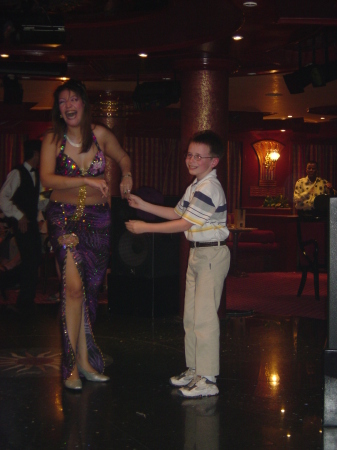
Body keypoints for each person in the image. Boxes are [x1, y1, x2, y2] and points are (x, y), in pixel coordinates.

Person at [40, 79, 132, 390]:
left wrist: (127, 175)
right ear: (59, 109)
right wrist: (86, 181)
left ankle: (85, 361)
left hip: (98, 221)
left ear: (83, 104)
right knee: (73, 289)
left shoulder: (101, 135)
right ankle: (69, 368)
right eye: (62, 101)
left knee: (90, 292)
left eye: (73, 99)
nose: (68, 105)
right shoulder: (53, 139)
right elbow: (47, 180)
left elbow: (122, 158)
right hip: (64, 218)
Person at [126, 130, 230, 398]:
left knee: (205, 319)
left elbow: (183, 224)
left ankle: (207, 379)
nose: (191, 160)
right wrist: (144, 205)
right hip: (199, 254)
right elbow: (177, 212)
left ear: (214, 161)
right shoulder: (196, 185)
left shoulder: (210, 188)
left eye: (199, 156)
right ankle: (195, 369)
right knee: (191, 317)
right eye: (189, 154)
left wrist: (144, 227)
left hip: (210, 255)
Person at [0, 139, 46, 313]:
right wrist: (19, 215)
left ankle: (14, 289)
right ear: (36, 153)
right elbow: (2, 198)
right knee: (30, 260)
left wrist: (48, 197)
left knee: (33, 260)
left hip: (32, 223)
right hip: (22, 226)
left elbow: (40, 202)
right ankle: (24, 303)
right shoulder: (17, 173)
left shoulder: (38, 175)